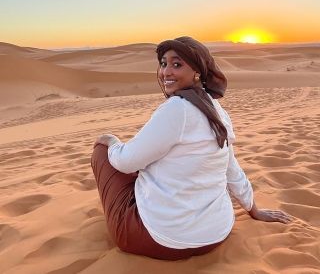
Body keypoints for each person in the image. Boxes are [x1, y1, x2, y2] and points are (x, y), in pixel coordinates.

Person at [91, 36, 292, 260]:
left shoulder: (177, 109)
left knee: (103, 153)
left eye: (177, 64)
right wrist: (253, 209)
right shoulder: (216, 110)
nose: (166, 72)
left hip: (160, 241)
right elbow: (230, 167)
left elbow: (126, 161)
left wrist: (112, 142)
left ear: (197, 71)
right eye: (163, 63)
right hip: (216, 235)